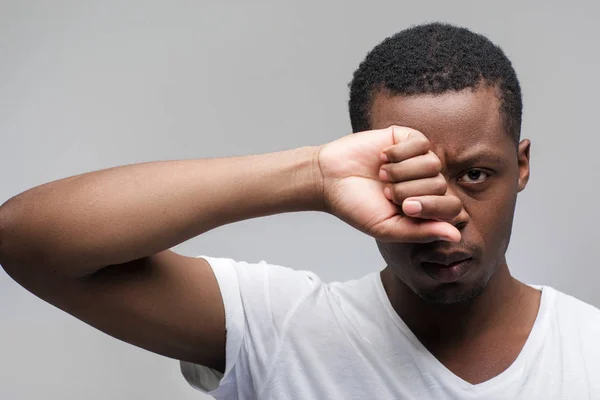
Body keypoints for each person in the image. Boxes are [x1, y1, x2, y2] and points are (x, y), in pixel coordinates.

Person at [1, 22, 599, 399]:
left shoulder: (590, 352)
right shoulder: (285, 330)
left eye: (475, 175)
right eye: (403, 177)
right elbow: (26, 239)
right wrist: (312, 175)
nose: (440, 212)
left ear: (520, 166)